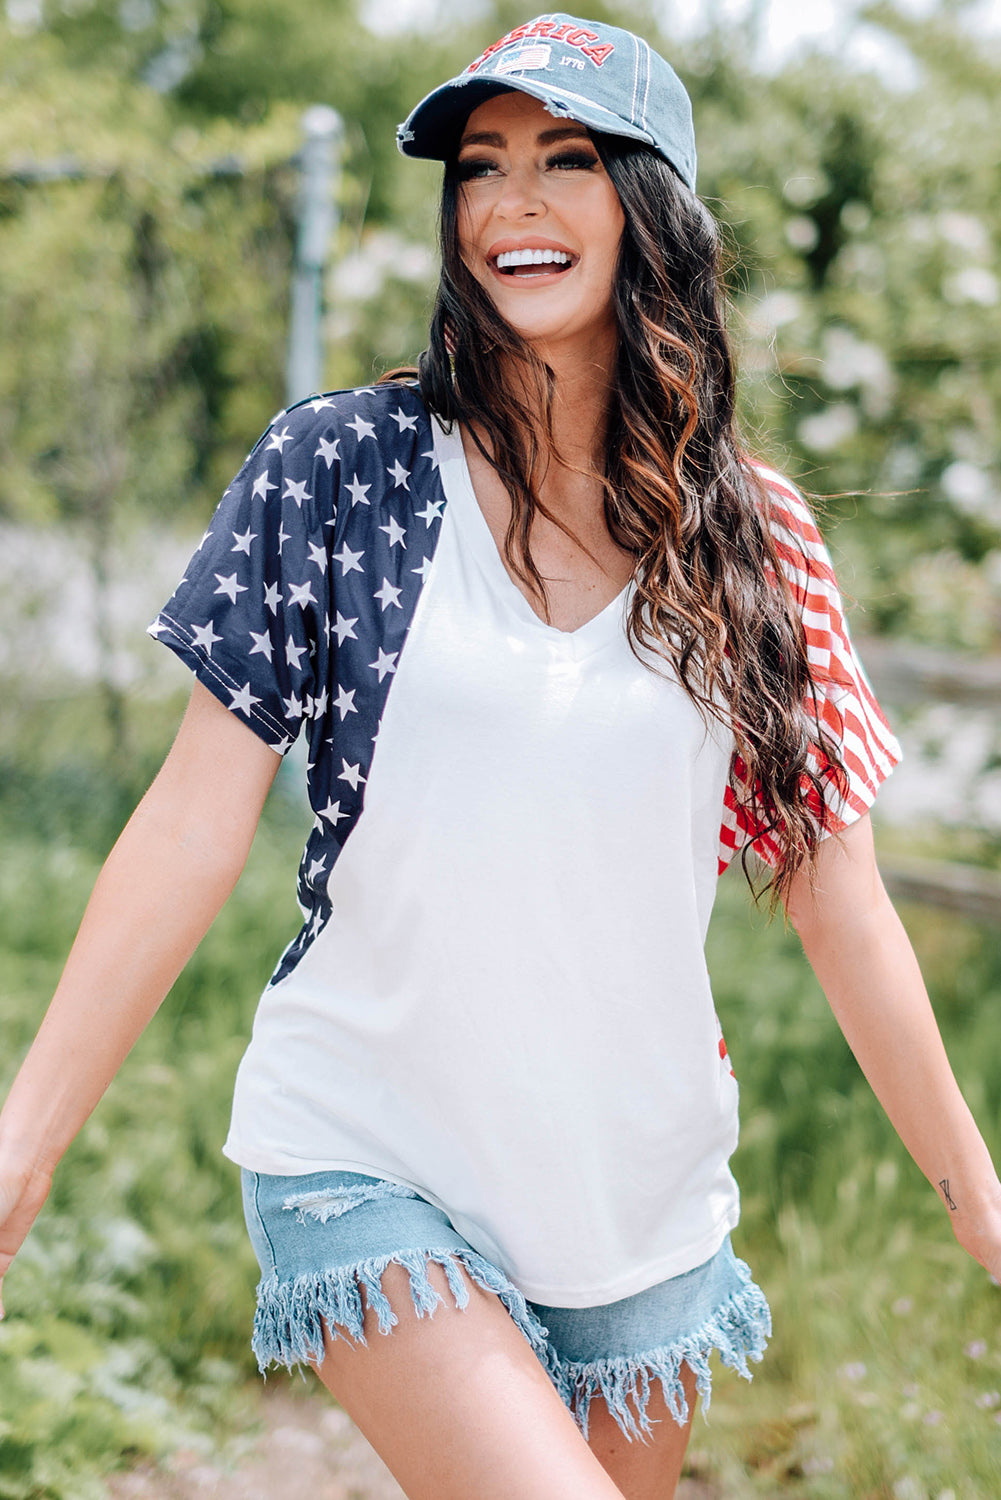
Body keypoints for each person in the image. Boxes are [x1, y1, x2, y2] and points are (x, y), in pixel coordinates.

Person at [1, 14, 999, 1500]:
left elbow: (832, 895)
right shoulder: (342, 472)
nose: (509, 203)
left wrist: (976, 1201)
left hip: (634, 1204)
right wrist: (24, 1145)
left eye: (564, 160)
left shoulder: (753, 538)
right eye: (480, 167)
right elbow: (188, 827)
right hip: (368, 1145)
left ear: (647, 202)